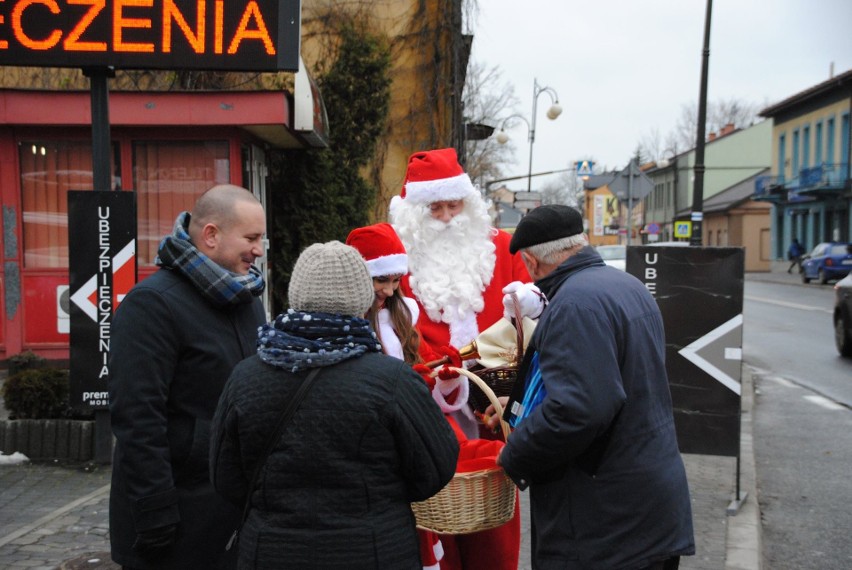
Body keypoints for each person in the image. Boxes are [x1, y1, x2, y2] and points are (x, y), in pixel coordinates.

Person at [209, 241, 459, 569]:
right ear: (361, 301)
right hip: (375, 550)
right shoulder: (392, 380)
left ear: (296, 297)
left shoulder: (245, 378)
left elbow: (225, 477)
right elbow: (436, 468)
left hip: (272, 550)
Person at [490, 204, 695, 569]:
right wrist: (517, 405)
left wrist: (514, 453)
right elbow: (609, 383)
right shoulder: (626, 285)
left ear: (531, 263)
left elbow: (578, 410)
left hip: (603, 522)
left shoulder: (573, 304)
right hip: (648, 508)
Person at [108, 184, 268, 570]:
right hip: (176, 518)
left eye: (261, 238)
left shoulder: (247, 300)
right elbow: (137, 419)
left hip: (233, 510)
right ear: (211, 235)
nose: (259, 250)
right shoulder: (152, 304)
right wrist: (155, 512)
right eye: (250, 238)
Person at [390, 147, 534, 570]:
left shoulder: (504, 249)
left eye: (455, 205)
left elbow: (529, 322)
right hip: (430, 413)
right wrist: (440, 371)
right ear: (415, 213)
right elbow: (394, 328)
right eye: (436, 207)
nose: (449, 216)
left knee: (495, 539)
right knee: (437, 527)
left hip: (495, 411)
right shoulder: (398, 260)